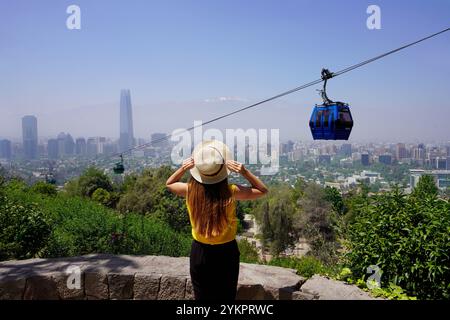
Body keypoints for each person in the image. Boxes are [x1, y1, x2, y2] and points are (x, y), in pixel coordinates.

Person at [166, 140, 268, 300]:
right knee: (226, 298)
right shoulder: (231, 192)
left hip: (199, 252)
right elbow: (262, 190)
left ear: (198, 170)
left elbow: (170, 183)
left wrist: (183, 168)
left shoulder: (190, 191)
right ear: (222, 170)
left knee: (202, 298)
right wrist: (245, 172)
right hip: (226, 253)